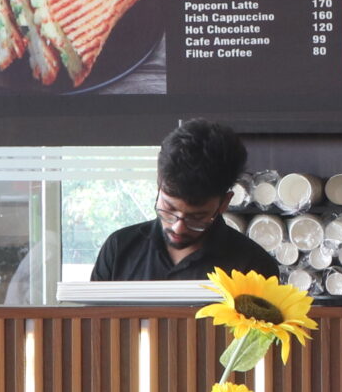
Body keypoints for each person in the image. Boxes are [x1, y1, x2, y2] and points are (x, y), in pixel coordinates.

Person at [90, 120, 280, 283]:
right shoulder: (119, 249)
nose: (178, 227)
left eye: (196, 217)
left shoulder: (254, 267)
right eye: (169, 209)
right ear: (158, 186)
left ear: (224, 203)